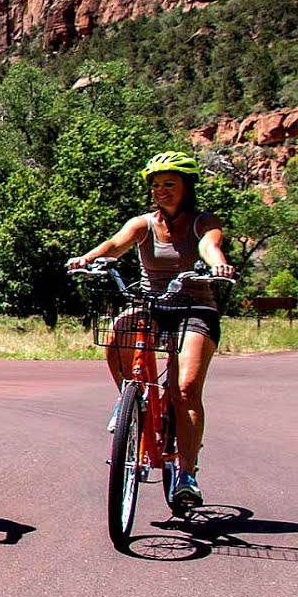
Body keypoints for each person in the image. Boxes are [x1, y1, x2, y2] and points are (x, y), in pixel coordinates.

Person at [66, 151, 235, 508]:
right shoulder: (143, 224)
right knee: (116, 333)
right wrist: (89, 258)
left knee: (185, 387)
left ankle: (186, 473)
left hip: (195, 307)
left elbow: (210, 247)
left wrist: (218, 266)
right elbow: (116, 243)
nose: (161, 191)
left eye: (169, 184)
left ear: (187, 187)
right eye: (156, 185)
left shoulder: (203, 222)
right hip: (153, 304)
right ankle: (129, 399)